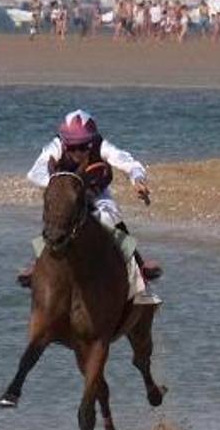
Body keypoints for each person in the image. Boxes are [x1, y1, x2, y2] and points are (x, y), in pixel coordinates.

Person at [26, 110, 160, 306]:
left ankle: (140, 272)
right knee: (56, 218)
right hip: (67, 194)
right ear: (64, 142)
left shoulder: (102, 145)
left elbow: (127, 162)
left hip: (96, 194)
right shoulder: (55, 147)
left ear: (92, 141)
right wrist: (63, 185)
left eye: (84, 146)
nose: (78, 152)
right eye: (72, 147)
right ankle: (37, 265)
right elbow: (34, 172)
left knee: (109, 219)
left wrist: (137, 179)